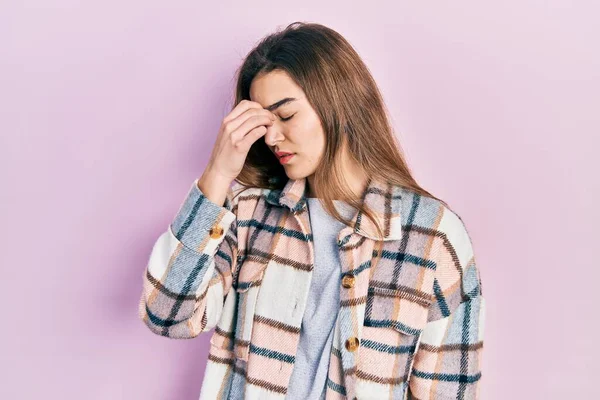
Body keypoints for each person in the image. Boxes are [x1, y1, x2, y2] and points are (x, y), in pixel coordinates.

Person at [138, 21, 485, 400]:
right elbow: (167, 314)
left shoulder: (433, 236)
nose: (271, 137)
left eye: (285, 116)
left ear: (338, 103)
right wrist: (217, 175)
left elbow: (449, 393)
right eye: (263, 123)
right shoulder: (249, 214)